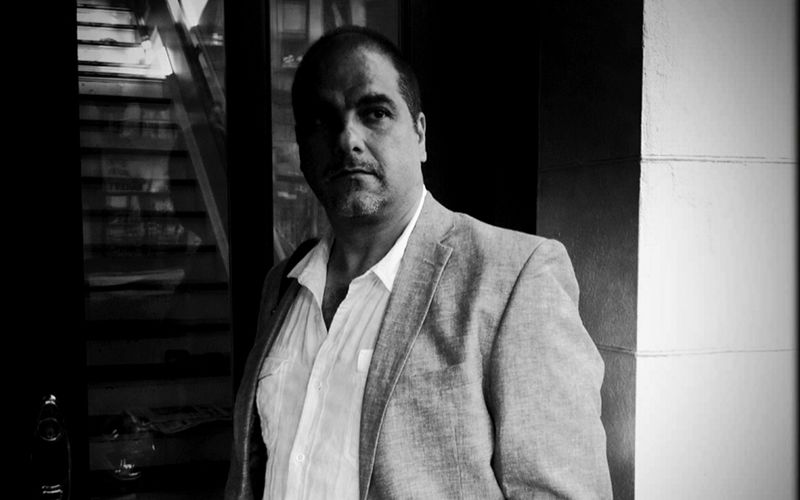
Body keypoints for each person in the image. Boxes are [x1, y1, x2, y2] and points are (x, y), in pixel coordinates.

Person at [226, 25, 612, 499]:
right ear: (302, 150)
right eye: (322, 121)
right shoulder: (284, 285)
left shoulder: (514, 277)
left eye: (375, 112)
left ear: (420, 134)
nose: (347, 139)